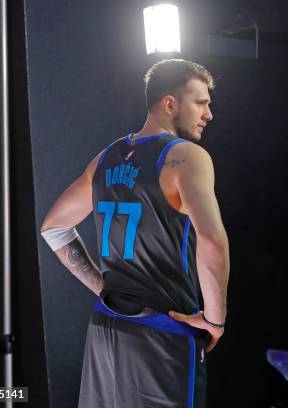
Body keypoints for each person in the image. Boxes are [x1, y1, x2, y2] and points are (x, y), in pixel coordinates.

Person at [39, 59, 230, 407]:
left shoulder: (106, 158)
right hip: (160, 334)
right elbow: (213, 241)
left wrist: (102, 286)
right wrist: (215, 319)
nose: (209, 114)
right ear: (170, 103)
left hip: (106, 329)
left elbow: (53, 228)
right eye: (201, 103)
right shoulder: (186, 157)